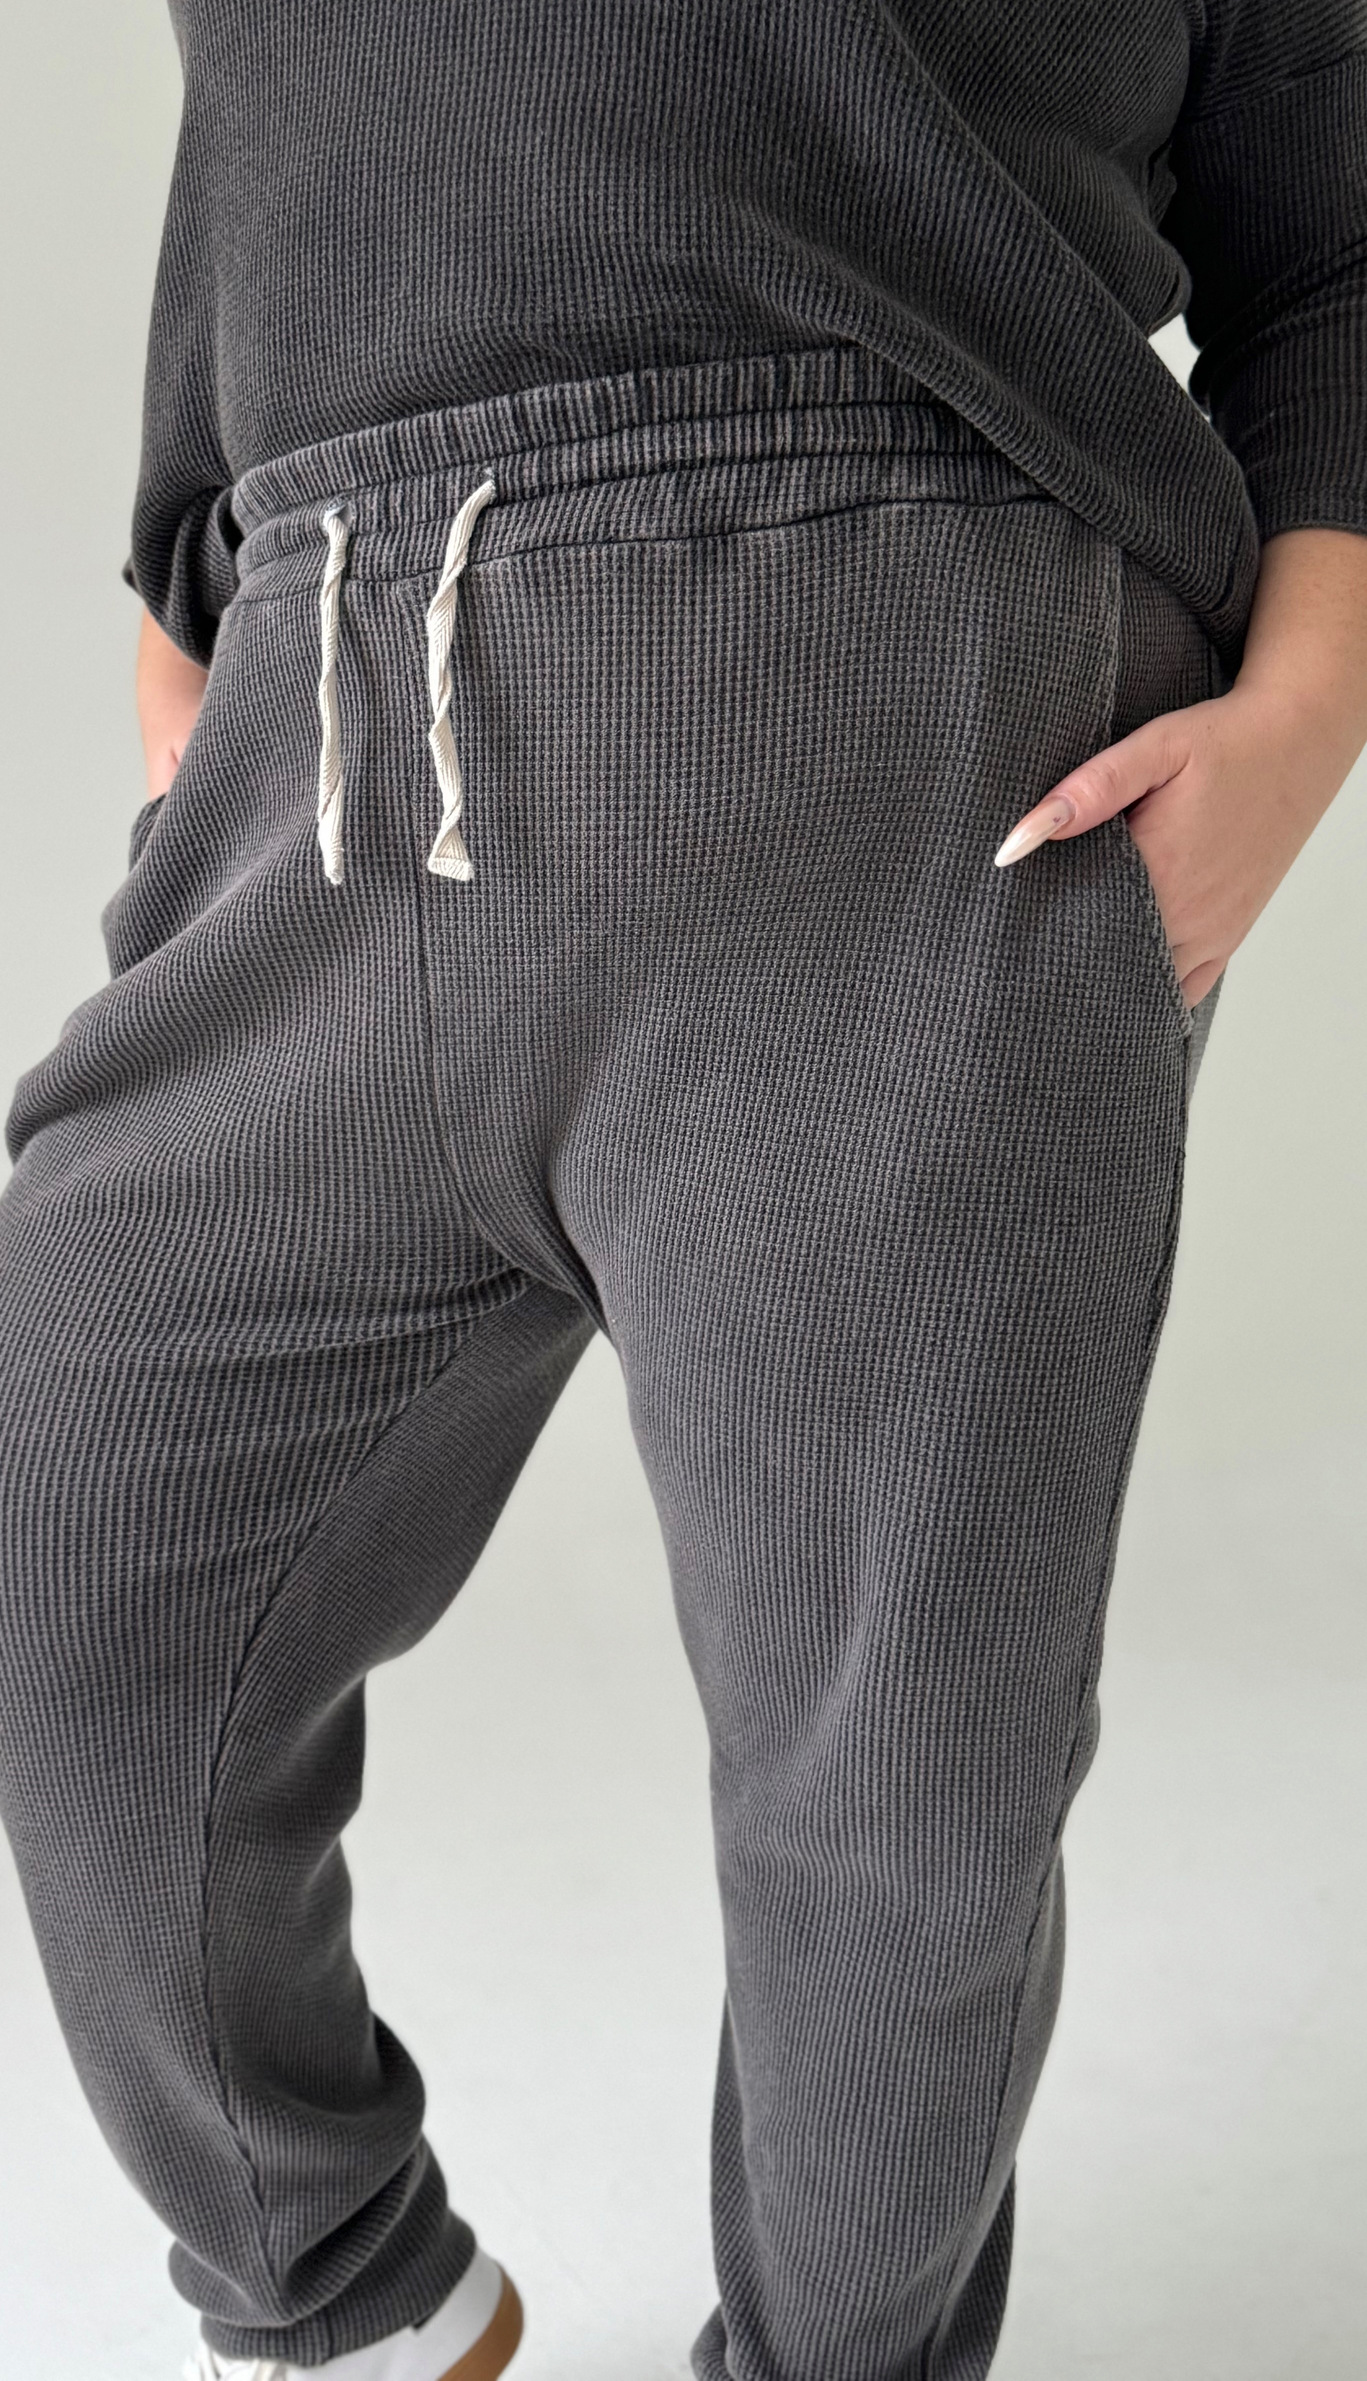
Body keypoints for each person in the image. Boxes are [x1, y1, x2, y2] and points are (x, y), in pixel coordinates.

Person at [2, 3, 1365, 2378]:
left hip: (915, 734)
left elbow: (1328, 234)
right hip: (340, 730)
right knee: (71, 1553)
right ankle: (349, 2297)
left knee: (898, 1792)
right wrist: (190, 619)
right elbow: (276, 123)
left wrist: (1308, 714)